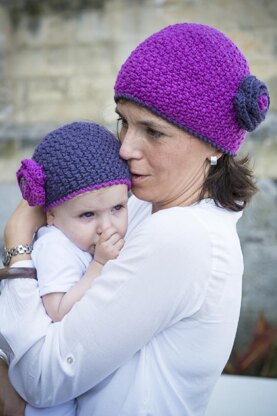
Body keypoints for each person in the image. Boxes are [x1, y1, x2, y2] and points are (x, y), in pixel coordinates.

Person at [0, 23, 270, 416]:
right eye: (123, 121)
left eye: (152, 132)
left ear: (213, 144)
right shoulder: (146, 207)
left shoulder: (180, 235)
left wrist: (18, 248)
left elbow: (40, 381)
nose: (125, 147)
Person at [2, 121, 131, 416]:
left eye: (117, 208)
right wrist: (98, 266)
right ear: (51, 215)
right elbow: (57, 310)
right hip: (44, 399)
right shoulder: (55, 247)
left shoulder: (82, 240)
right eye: (87, 215)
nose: (106, 227)